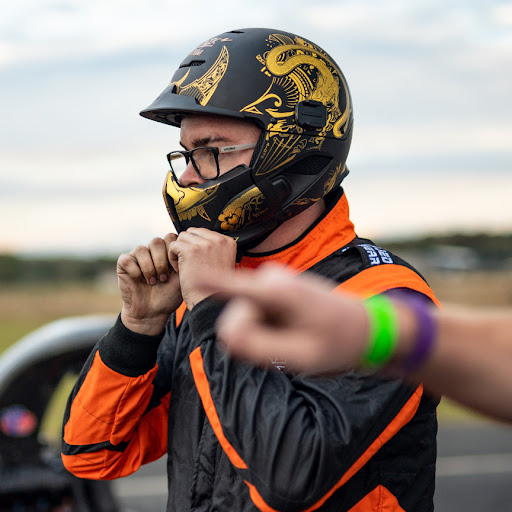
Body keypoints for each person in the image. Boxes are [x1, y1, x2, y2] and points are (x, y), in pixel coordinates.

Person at [62, 28, 441, 511]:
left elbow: (292, 476)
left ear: (294, 147)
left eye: (212, 151)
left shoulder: (387, 302)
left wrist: (214, 312)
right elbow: (92, 454)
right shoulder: (205, 297)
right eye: (185, 154)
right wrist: (138, 328)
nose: (189, 176)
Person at [200, 263, 512, 424]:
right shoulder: (202, 277)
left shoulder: (383, 284)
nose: (187, 177)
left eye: (214, 157)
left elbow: (294, 477)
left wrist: (208, 314)